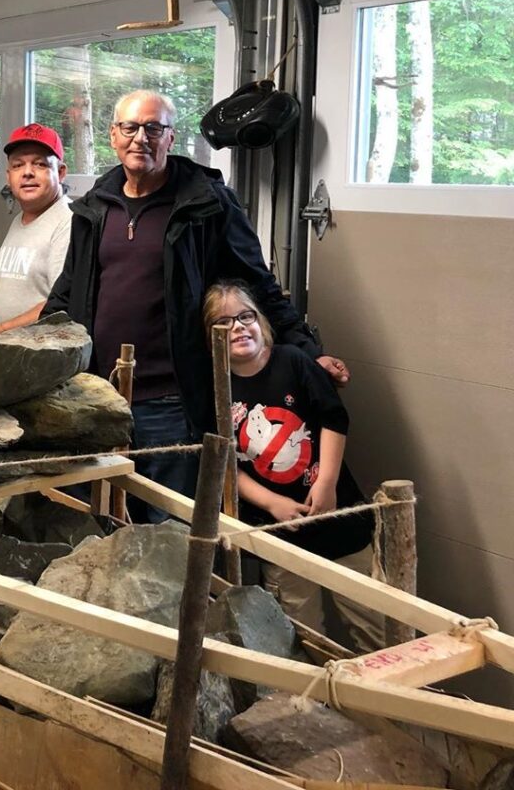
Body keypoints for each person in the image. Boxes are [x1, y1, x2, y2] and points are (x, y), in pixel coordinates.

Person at [44, 89, 348, 510]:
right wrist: (36, 352)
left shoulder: (205, 202)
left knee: (168, 523)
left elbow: (256, 280)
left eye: (154, 128)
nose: (140, 138)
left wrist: (306, 349)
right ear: (113, 135)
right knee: (100, 514)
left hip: (171, 398)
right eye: (130, 127)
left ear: (171, 138)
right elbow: (68, 287)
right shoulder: (95, 206)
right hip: (99, 394)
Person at [203, 279, 383, 652]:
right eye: (223, 323)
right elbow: (224, 465)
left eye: (245, 316)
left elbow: (334, 418)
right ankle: (313, 706)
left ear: (260, 321)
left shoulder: (293, 361)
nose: (237, 327)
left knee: (373, 627)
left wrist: (328, 482)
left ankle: (379, 710)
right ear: (210, 336)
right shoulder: (215, 389)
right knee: (300, 635)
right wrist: (271, 503)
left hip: (340, 519)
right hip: (281, 531)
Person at [0, 123, 72, 358]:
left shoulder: (67, 222)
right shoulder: (21, 219)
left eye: (40, 164)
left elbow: (58, 305)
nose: (27, 172)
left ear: (60, 172)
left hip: (40, 364)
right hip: (8, 361)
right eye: (18, 165)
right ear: (9, 176)